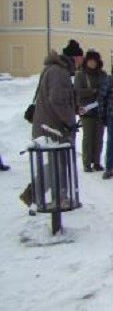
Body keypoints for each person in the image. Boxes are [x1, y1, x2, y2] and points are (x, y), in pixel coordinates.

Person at [19, 42, 81, 209]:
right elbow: (57, 100)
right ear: (74, 58)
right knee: (59, 164)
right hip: (53, 127)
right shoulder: (59, 73)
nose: (81, 62)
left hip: (49, 125)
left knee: (56, 162)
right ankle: (58, 198)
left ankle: (34, 192)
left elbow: (57, 98)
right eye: (80, 58)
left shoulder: (54, 69)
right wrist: (69, 122)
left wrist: (73, 109)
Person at [74, 50, 107, 172]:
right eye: (90, 61)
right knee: (88, 138)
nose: (92, 63)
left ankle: (97, 162)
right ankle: (87, 163)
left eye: (95, 61)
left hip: (100, 109)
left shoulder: (102, 74)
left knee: (99, 138)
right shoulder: (81, 75)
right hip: (86, 110)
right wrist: (93, 91)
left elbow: (106, 88)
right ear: (86, 62)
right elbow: (78, 90)